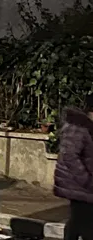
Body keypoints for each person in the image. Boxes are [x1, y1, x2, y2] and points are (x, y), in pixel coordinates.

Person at [53, 94, 93, 240]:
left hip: (82, 185)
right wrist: (87, 180)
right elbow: (69, 156)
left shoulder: (88, 127)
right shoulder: (78, 127)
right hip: (78, 184)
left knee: (77, 222)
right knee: (86, 223)